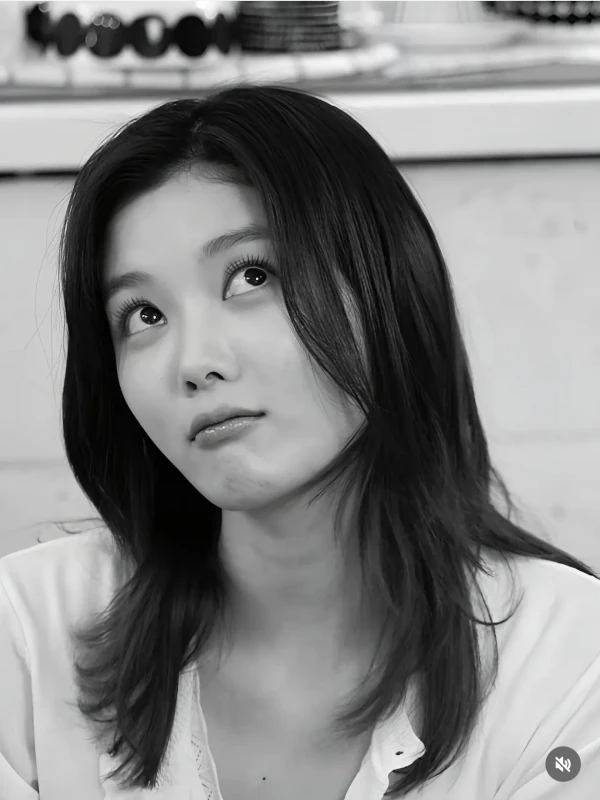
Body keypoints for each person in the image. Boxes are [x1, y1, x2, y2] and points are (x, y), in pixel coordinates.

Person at [0, 85, 599, 800]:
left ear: (384, 286)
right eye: (144, 314)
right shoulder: (26, 635)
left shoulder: (569, 665)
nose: (194, 362)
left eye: (251, 275)